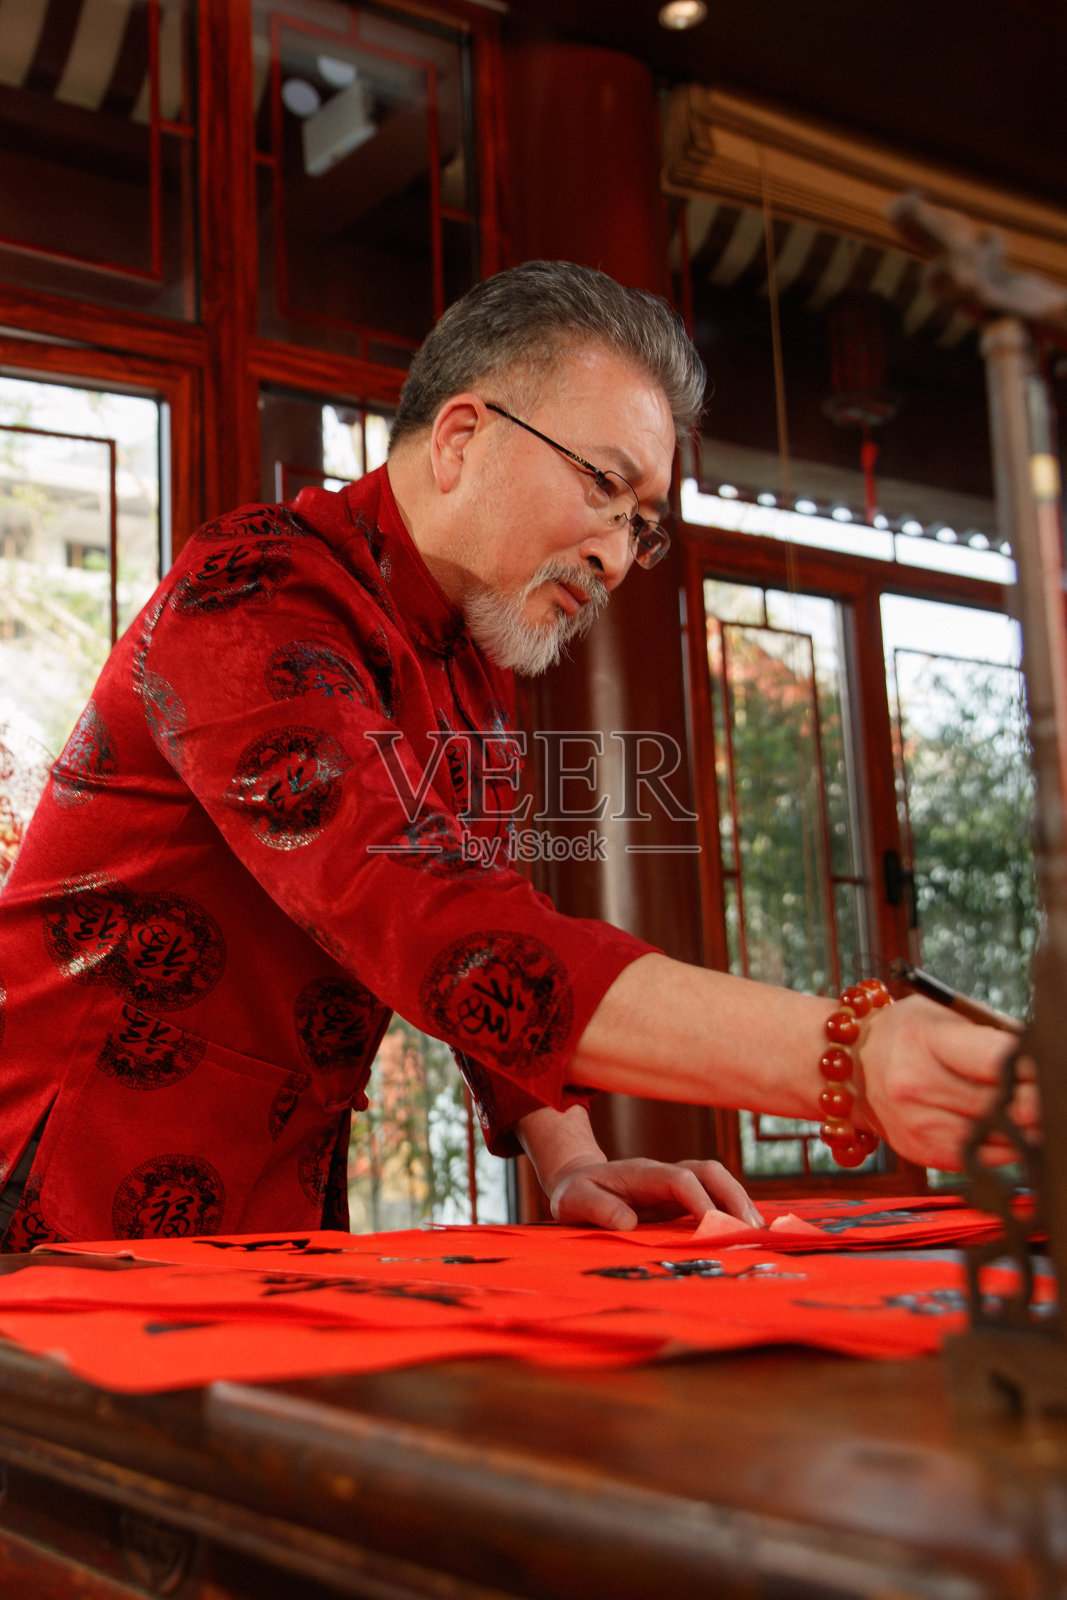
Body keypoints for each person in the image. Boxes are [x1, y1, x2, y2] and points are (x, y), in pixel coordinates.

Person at [0, 262, 1035, 1250]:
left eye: (640, 526)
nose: (616, 557)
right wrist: (850, 1053)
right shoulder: (252, 591)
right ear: (460, 437)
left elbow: (485, 917)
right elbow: (420, 909)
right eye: (604, 487)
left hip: (273, 1202)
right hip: (55, 1184)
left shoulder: (473, 673)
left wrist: (572, 1159)